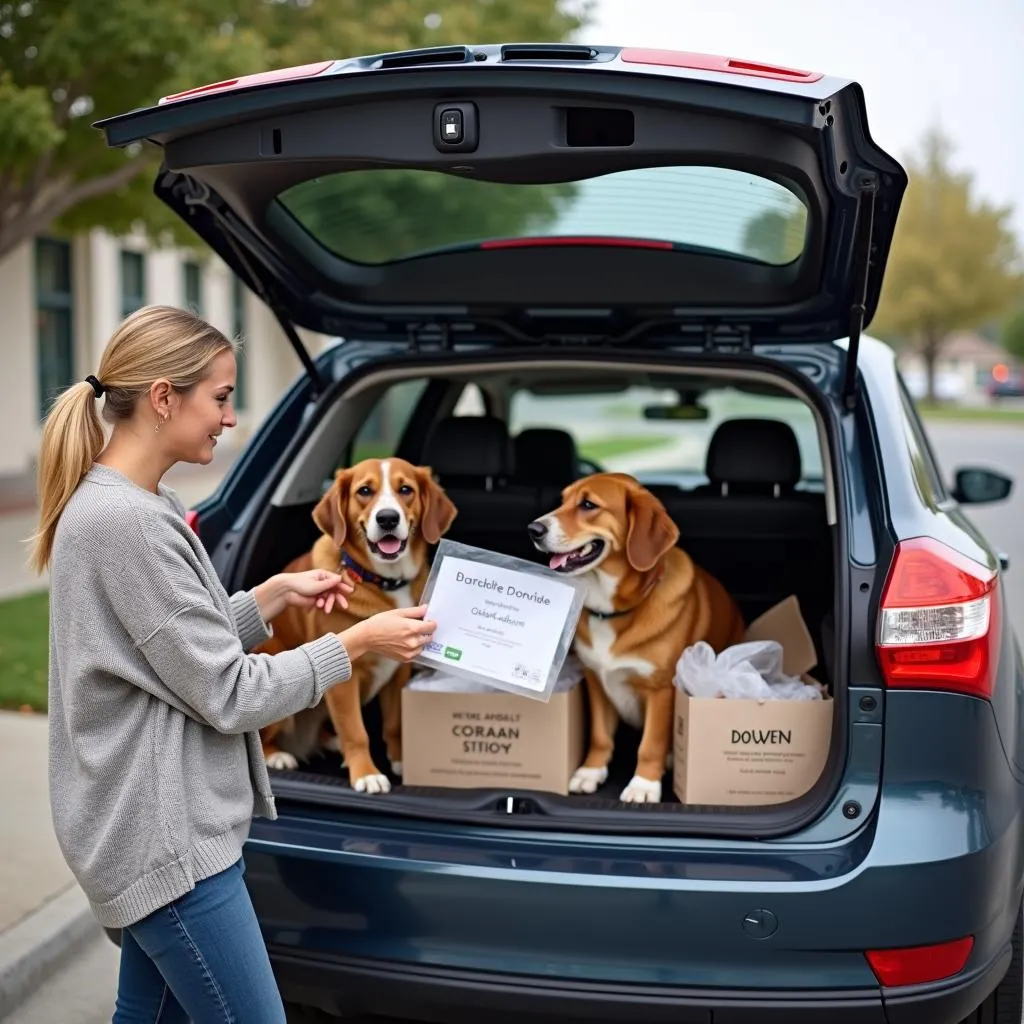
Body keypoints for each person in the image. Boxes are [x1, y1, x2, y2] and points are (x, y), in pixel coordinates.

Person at [29, 304, 436, 1023]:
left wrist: (271, 596)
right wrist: (356, 643)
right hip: (164, 842)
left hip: (154, 826)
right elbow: (229, 691)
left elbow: (165, 654)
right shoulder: (128, 525)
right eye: (219, 397)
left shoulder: (128, 505)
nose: (228, 417)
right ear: (164, 397)